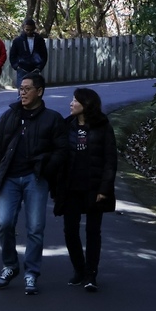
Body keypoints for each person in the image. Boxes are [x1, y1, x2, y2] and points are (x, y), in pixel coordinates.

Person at [0, 72, 68, 296]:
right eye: (21, 88)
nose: (22, 92)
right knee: (5, 223)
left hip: (36, 178)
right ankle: (10, 265)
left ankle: (32, 272)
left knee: (35, 227)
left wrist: (46, 168)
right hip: (9, 177)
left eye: (27, 88)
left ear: (39, 91)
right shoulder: (10, 116)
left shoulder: (53, 118)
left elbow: (62, 151)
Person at [53, 88, 118, 293]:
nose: (71, 104)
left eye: (75, 100)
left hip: (94, 187)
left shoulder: (102, 126)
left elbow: (110, 160)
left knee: (93, 232)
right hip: (71, 187)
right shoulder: (66, 126)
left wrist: (104, 188)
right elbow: (58, 156)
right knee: (70, 230)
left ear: (86, 104)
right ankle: (79, 269)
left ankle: (91, 274)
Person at [8, 19, 48, 88]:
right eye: (27, 30)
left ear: (34, 29)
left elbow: (44, 55)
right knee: (22, 92)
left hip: (35, 70)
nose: (29, 32)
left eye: (31, 30)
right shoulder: (18, 40)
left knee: (34, 91)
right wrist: (16, 66)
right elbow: (12, 55)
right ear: (23, 28)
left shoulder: (39, 40)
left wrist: (39, 67)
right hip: (22, 69)